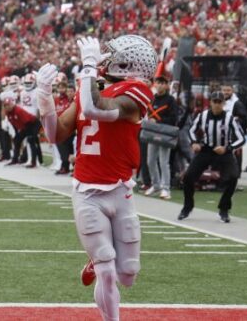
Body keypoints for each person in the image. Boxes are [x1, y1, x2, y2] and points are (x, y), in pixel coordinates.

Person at [37, 35, 157, 321]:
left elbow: (95, 107)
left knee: (127, 274)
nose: (105, 56)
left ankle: (99, 256)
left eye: (112, 53)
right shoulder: (90, 86)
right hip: (87, 190)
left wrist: (89, 67)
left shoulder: (138, 91)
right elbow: (55, 135)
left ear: (129, 61)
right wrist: (43, 95)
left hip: (120, 188)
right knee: (106, 270)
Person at [178, 91, 246, 223]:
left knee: (233, 177)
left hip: (224, 151)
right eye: (214, 102)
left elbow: (241, 138)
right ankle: (187, 207)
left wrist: (228, 148)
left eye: (219, 102)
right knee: (188, 177)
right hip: (206, 150)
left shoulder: (229, 118)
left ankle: (224, 209)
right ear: (210, 103)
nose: (217, 105)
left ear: (223, 103)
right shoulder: (202, 116)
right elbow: (191, 130)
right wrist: (194, 143)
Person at [144, 76, 178, 199]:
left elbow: (174, 118)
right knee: (150, 160)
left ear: (167, 85)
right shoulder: (152, 99)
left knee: (164, 161)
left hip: (165, 134)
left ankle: (166, 188)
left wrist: (158, 121)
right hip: (152, 133)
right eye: (158, 83)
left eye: (163, 83)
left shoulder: (171, 100)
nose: (160, 85)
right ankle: (156, 184)